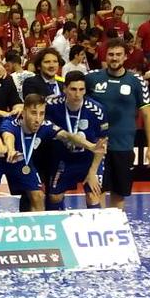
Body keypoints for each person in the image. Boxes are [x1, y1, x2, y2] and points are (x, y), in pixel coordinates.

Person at [0, 93, 104, 213]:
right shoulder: (10, 123)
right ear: (24, 111)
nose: (38, 119)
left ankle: (38, 229)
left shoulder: (45, 125)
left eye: (41, 114)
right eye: (33, 113)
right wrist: (11, 150)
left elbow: (67, 136)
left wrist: (91, 146)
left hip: (21, 161)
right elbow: (8, 137)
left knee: (38, 197)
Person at [86, 39, 150, 210]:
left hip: (123, 146)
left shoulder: (136, 81)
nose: (114, 58)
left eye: (118, 54)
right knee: (95, 191)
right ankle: (97, 228)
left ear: (125, 57)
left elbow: (147, 115)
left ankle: (113, 231)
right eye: (111, 54)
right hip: (96, 146)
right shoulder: (92, 78)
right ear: (105, 56)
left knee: (119, 193)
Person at [45, 73, 108, 209]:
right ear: (65, 89)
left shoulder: (97, 110)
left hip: (89, 159)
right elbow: (33, 107)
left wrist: (92, 173)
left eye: (81, 90)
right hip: (62, 159)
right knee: (55, 197)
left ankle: (93, 228)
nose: (77, 94)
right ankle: (58, 227)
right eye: (73, 89)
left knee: (93, 195)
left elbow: (102, 143)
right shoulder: (51, 105)